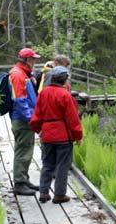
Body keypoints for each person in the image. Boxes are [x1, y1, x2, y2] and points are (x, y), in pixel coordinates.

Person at [30, 66, 83, 204]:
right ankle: (59, 195)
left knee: (47, 164)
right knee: (62, 166)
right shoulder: (65, 95)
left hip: (47, 135)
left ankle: (43, 192)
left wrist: (39, 130)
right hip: (63, 136)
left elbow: (35, 117)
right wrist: (78, 136)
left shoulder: (43, 93)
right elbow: (73, 119)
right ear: (64, 79)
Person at [9, 48, 40, 196]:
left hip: (25, 119)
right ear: (26, 60)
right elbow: (20, 101)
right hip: (22, 120)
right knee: (23, 151)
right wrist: (31, 119)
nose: (34, 62)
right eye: (33, 59)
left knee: (27, 150)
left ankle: (24, 179)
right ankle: (19, 184)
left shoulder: (24, 73)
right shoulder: (17, 74)